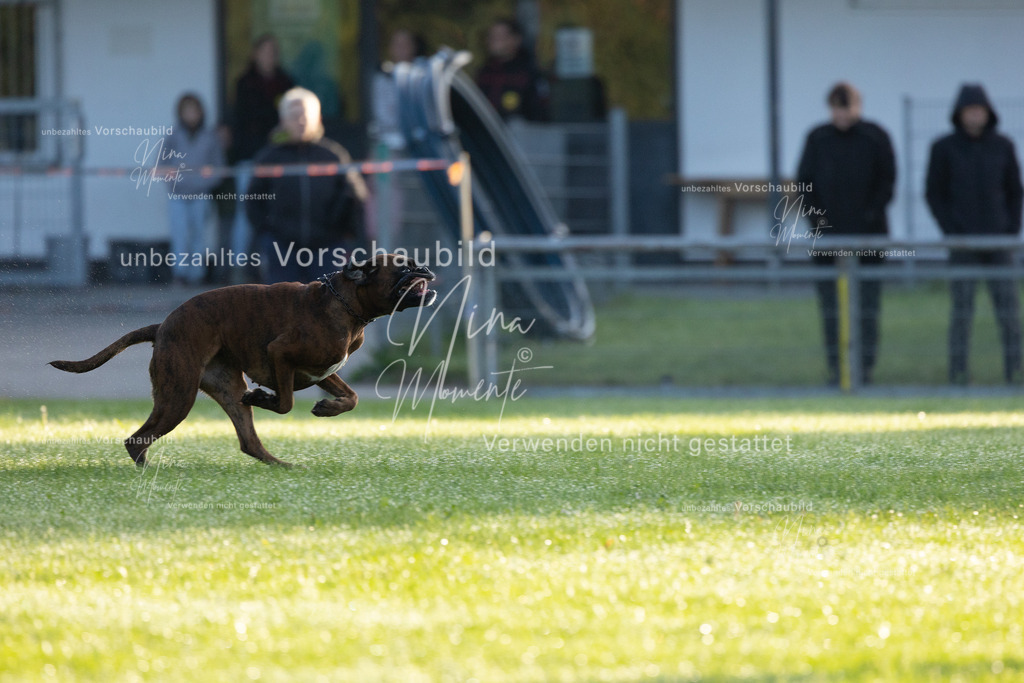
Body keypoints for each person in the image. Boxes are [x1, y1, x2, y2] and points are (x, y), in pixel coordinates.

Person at [797, 82, 896, 386]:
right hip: (826, 239)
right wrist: (820, 225)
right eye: (837, 107)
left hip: (868, 237)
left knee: (867, 306)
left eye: (847, 106)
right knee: (830, 309)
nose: (842, 113)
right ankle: (836, 369)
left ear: (857, 107)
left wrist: (868, 220)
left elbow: (887, 181)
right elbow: (805, 185)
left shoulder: (875, 137)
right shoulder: (818, 139)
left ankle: (863, 368)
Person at [926, 83, 1024, 385]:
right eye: (969, 111)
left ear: (988, 113)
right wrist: (951, 232)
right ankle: (958, 373)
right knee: (962, 312)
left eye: (979, 111)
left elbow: (1014, 192)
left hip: (999, 242)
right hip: (962, 243)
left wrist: (1009, 231)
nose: (974, 117)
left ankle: (1015, 372)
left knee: (1008, 311)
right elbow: (934, 194)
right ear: (959, 114)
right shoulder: (944, 149)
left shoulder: (1003, 146)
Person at [245, 87, 369, 284]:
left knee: (329, 306)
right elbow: (253, 200)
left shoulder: (333, 155)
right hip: (282, 248)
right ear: (283, 120)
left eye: (306, 115)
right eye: (294, 116)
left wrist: (342, 227)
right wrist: (268, 233)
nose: (301, 121)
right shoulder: (268, 157)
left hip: (328, 248)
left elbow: (356, 194)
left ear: (318, 118)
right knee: (284, 307)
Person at [229, 34, 294, 281]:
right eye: (265, 51)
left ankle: (273, 267)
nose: (270, 56)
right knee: (245, 214)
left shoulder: (286, 83)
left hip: (280, 161)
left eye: (273, 51)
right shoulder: (244, 84)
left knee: (279, 213)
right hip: (250, 159)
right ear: (255, 54)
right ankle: (238, 268)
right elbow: (242, 122)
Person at [369, 29, 427, 246]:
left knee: (417, 209)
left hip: (419, 152)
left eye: (405, 43)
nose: (400, 49)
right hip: (389, 153)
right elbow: (384, 115)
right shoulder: (382, 78)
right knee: (388, 206)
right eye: (396, 43)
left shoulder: (424, 78)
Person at [166, 93, 225, 286]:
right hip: (177, 195)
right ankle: (180, 274)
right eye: (187, 111)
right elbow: (161, 164)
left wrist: (205, 182)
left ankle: (197, 274)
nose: (191, 115)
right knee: (180, 234)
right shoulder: (173, 136)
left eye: (194, 111)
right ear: (180, 113)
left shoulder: (210, 137)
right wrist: (173, 180)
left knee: (199, 235)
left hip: (200, 194)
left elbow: (219, 167)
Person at [475, 18, 548, 122]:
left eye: (500, 37)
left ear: (515, 39)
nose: (493, 41)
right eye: (491, 36)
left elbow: (539, 114)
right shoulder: (484, 72)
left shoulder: (528, 74)